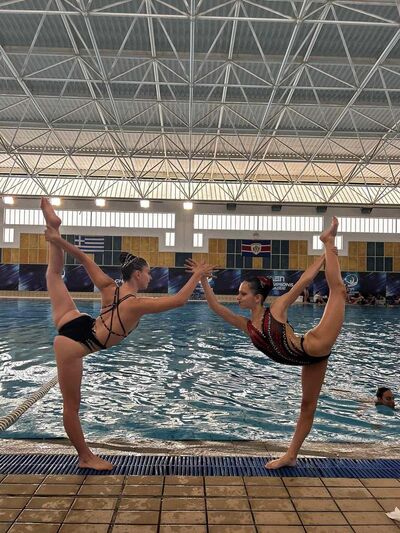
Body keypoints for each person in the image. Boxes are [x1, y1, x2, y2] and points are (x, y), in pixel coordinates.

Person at [40, 198, 214, 470]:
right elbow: (180, 300)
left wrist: (58, 240)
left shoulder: (109, 287)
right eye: (148, 273)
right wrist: (198, 275)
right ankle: (85, 458)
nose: (151, 277)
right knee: (71, 407)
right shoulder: (136, 304)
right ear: (137, 274)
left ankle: (54, 228)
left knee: (53, 275)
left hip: (78, 321)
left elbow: (84, 258)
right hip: (76, 343)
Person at [187, 217, 346, 469]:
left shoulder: (277, 309)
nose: (238, 297)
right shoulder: (247, 325)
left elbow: (304, 281)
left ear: (257, 298)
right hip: (309, 361)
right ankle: (290, 456)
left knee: (339, 291)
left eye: (243, 294)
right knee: (307, 406)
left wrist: (324, 255)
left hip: (315, 345)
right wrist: (202, 279)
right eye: (238, 293)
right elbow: (215, 306)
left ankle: (328, 241)